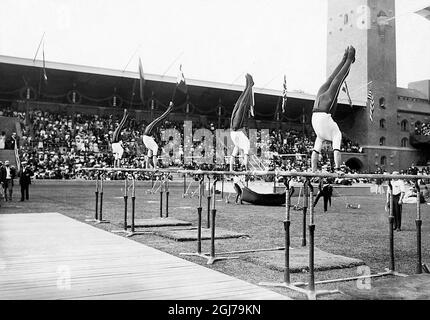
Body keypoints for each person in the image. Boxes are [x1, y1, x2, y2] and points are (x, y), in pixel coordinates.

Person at [311, 46, 355, 173]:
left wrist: (337, 168)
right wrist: (314, 170)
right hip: (316, 108)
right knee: (332, 79)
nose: (326, 147)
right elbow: (316, 153)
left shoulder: (335, 133)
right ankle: (346, 58)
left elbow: (334, 152)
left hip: (324, 109)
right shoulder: (321, 136)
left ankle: (348, 58)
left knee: (336, 80)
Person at [230, 73, 255, 172]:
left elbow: (232, 156)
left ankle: (248, 85)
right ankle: (249, 84)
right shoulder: (246, 146)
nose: (239, 155)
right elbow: (246, 158)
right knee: (242, 104)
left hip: (233, 128)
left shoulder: (237, 146)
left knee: (238, 104)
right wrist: (246, 169)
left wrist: (231, 169)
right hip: (237, 127)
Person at [142, 102, 173, 169]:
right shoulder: (157, 122)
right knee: (155, 148)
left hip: (145, 137)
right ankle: (155, 167)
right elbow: (164, 115)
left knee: (150, 150)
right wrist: (170, 107)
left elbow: (157, 135)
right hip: (147, 137)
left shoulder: (155, 127)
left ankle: (147, 167)